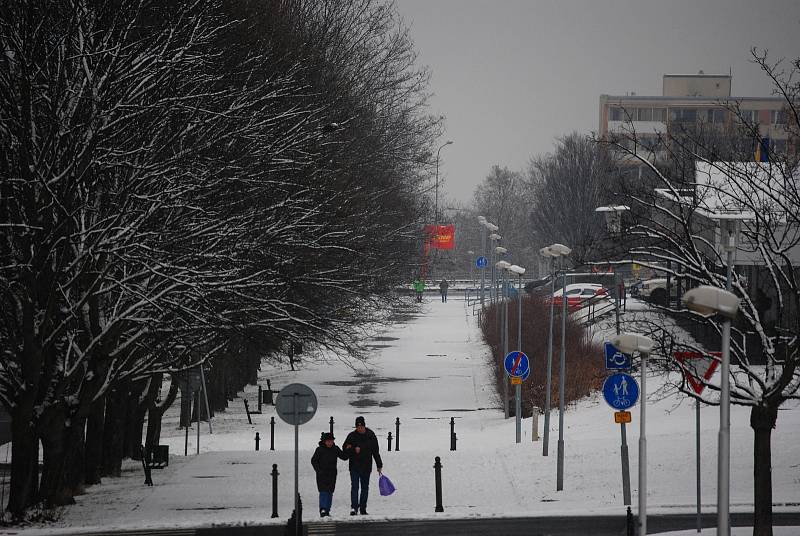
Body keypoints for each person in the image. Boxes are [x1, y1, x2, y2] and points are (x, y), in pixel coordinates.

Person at [342, 416, 383, 515]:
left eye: (361, 427)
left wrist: (379, 464)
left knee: (365, 487)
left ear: (364, 426)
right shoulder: (351, 436)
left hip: (366, 466)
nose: (360, 429)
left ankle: (363, 508)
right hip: (354, 466)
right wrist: (352, 449)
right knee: (355, 487)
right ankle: (354, 508)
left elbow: (375, 451)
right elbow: (344, 448)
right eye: (358, 427)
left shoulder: (371, 435)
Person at [311, 432, 348, 517]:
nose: (330, 443)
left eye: (331, 441)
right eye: (328, 441)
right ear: (324, 441)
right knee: (323, 491)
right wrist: (318, 470)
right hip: (322, 474)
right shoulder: (319, 450)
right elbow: (314, 461)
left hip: (332, 474)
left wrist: (347, 449)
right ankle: (323, 509)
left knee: (330, 492)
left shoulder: (335, 449)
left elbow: (344, 457)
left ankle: (327, 510)